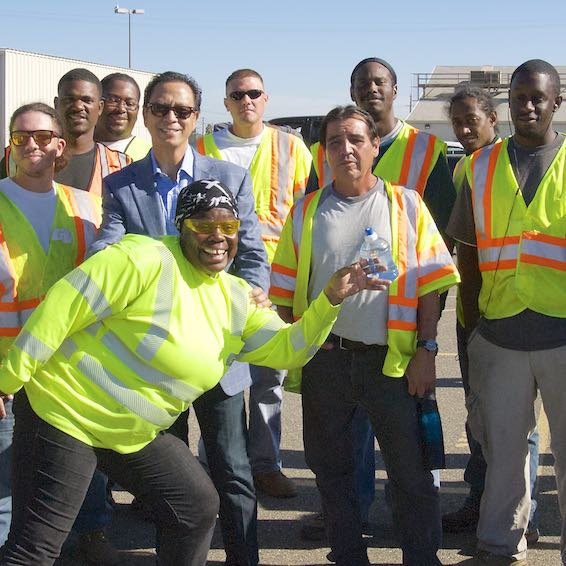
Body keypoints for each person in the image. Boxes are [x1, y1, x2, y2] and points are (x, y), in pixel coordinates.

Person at [0, 178, 381, 566]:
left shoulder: (235, 297)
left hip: (130, 434)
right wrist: (7, 381)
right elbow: (61, 309)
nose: (218, 237)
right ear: (182, 226)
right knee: (36, 549)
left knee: (195, 505)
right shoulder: (143, 259)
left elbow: (289, 349)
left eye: (228, 227)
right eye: (203, 225)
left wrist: (329, 300)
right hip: (66, 416)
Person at [91, 71, 270, 566]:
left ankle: (243, 559)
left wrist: (251, 301)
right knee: (168, 481)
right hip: (154, 363)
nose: (172, 118)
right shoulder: (121, 186)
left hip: (217, 355)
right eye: (162, 109)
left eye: (183, 111)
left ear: (196, 118)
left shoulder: (229, 178)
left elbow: (252, 255)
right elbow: (109, 251)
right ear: (145, 115)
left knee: (233, 470)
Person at [270, 105, 460, 566]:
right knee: (333, 475)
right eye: (335, 141)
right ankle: (348, 554)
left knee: (411, 476)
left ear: (376, 146)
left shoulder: (406, 205)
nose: (346, 149)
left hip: (391, 364)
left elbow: (432, 283)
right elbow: (283, 292)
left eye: (356, 139)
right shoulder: (306, 211)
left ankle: (421, 558)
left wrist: (427, 350)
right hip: (327, 365)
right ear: (324, 152)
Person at [447, 59, 566, 566]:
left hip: (562, 336)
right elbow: (467, 256)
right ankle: (498, 545)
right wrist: (473, 332)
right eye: (520, 97)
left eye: (539, 97)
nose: (529, 105)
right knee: (502, 453)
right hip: (499, 337)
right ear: (507, 103)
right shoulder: (477, 166)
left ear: (557, 102)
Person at [195, 68, 313, 498]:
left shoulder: (293, 147)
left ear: (266, 99)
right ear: (226, 103)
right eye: (237, 95)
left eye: (254, 93)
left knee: (268, 379)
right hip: (214, 283)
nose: (246, 100)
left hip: (273, 284)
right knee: (216, 377)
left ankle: (266, 465)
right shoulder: (203, 148)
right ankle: (216, 466)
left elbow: (307, 211)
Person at [443, 86, 541, 543]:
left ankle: (524, 514)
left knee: (518, 424)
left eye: (472, 121)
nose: (464, 130)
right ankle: (481, 499)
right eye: (457, 123)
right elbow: (464, 248)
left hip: (520, 315)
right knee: (480, 416)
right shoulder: (468, 167)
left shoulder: (514, 163)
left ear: (493, 120)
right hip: (475, 314)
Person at [0, 104, 100, 549]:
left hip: (67, 369)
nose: (33, 146)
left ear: (60, 145)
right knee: (5, 484)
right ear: (10, 146)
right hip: (6, 372)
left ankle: (92, 540)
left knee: (76, 472)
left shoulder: (86, 207)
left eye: (43, 137)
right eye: (22, 138)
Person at [95, 72, 151, 161]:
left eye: (130, 103)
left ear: (137, 110)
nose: (121, 109)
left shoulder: (150, 156)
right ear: (98, 103)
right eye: (114, 100)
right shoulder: (71, 149)